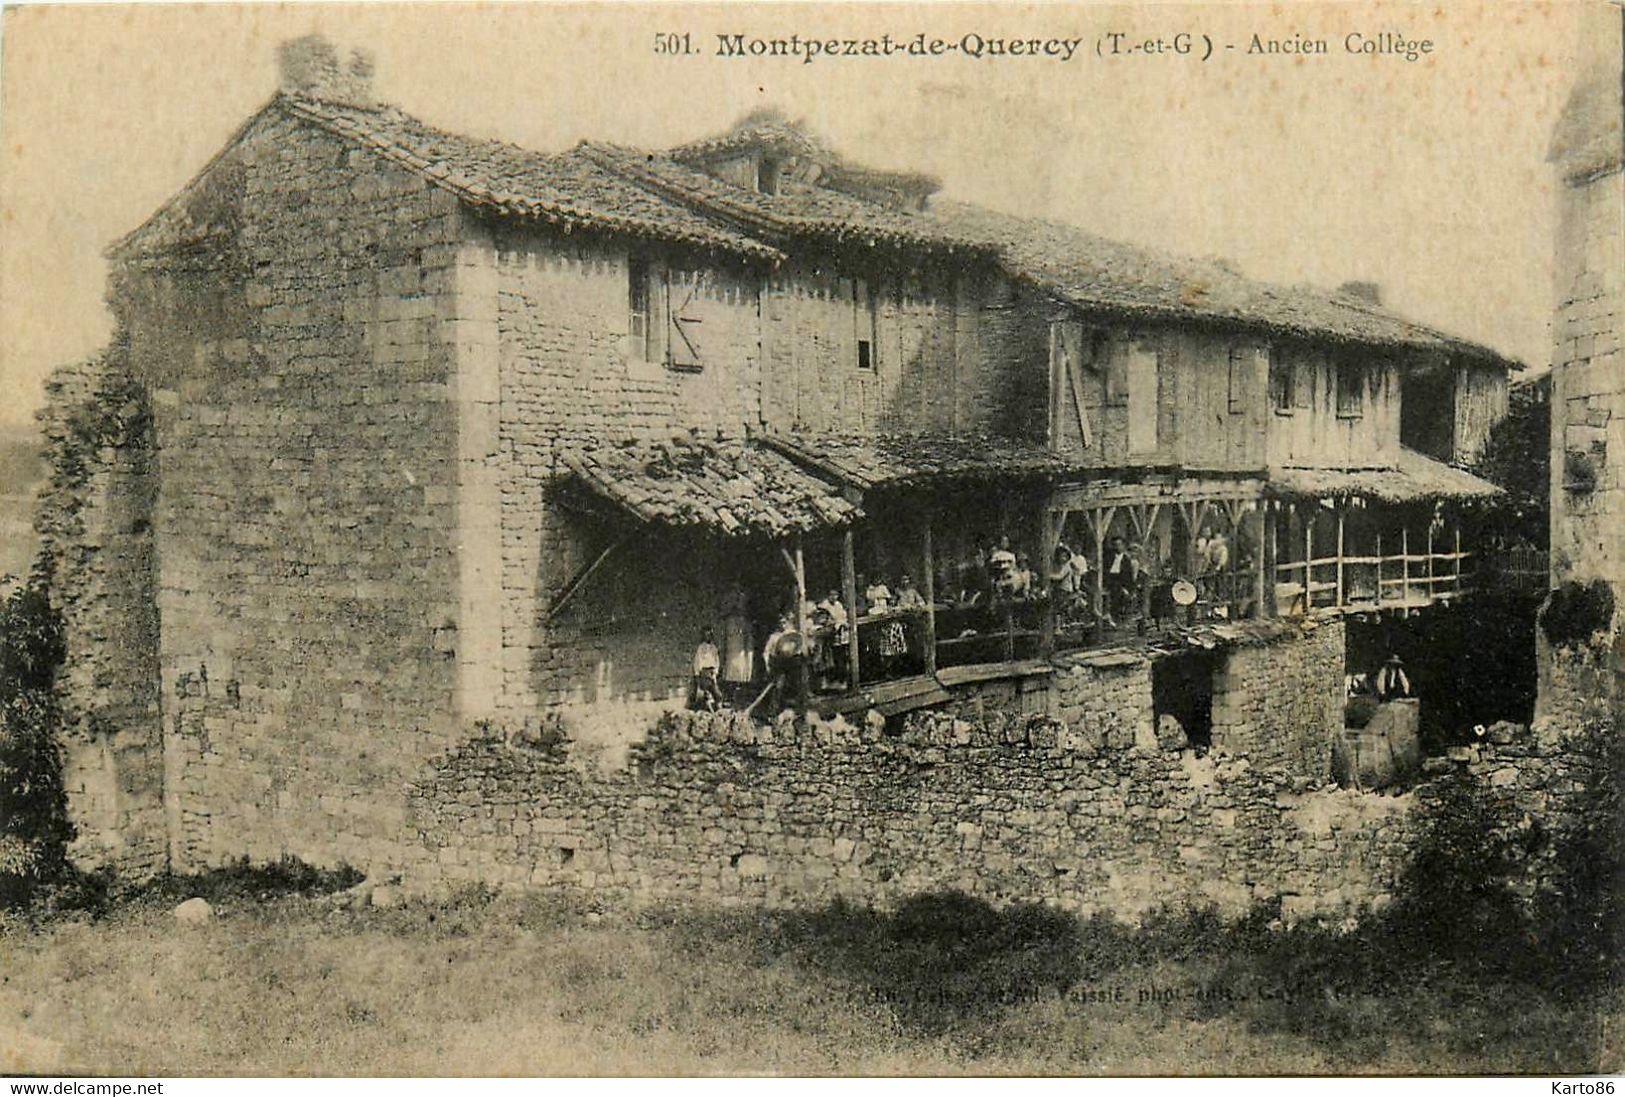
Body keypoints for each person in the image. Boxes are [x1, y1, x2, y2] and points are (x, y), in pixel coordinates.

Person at [720, 586, 754, 703]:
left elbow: (749, 642)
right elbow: (724, 639)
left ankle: (738, 699)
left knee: (740, 677)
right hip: (730, 654)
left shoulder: (746, 623)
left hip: (741, 655)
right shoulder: (728, 622)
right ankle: (729, 698)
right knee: (729, 676)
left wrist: (748, 660)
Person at [1104, 535, 1137, 625]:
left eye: (1119, 545)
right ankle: (1112, 616)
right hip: (1110, 579)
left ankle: (1116, 617)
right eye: (1115, 545)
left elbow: (1128, 577)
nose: (1117, 547)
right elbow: (1105, 572)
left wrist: (1127, 588)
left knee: (1120, 593)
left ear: (1123, 546)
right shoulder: (1109, 557)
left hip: (1121, 581)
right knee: (1115, 591)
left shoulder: (1126, 560)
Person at [689, 627, 724, 712]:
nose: (708, 637)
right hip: (704, 672)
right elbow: (697, 661)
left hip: (712, 673)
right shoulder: (701, 648)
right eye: (706, 635)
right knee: (705, 694)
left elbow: (717, 661)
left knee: (718, 694)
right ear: (703, 636)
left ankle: (719, 712)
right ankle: (710, 712)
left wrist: (715, 672)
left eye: (709, 635)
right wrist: (697, 674)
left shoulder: (714, 648)